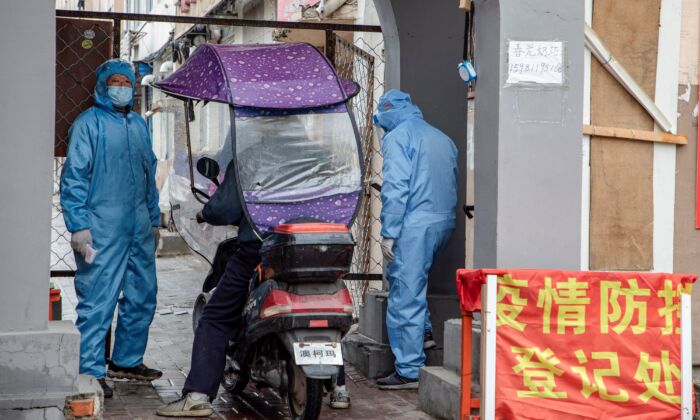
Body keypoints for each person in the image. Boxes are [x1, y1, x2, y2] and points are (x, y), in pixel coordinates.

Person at [60, 59, 162, 398]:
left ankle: (127, 361)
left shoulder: (138, 125)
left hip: (139, 227)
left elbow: (149, 174)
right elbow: (74, 176)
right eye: (115, 82)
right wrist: (78, 225)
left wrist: (153, 217)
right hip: (101, 229)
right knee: (98, 300)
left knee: (142, 295)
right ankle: (90, 371)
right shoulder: (88, 124)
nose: (122, 87)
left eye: (127, 82)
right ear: (103, 85)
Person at [157, 160, 261, 417]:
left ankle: (197, 396)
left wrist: (206, 212)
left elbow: (224, 209)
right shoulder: (321, 155)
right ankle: (339, 387)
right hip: (320, 246)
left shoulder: (252, 159)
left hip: (258, 250)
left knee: (215, 317)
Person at [373, 90, 458, 390]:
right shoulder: (441, 137)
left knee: (404, 293)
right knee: (415, 281)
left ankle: (409, 369)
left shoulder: (397, 138)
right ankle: (423, 334)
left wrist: (389, 233)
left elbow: (395, 188)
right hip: (443, 223)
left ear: (386, 115)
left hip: (414, 226)